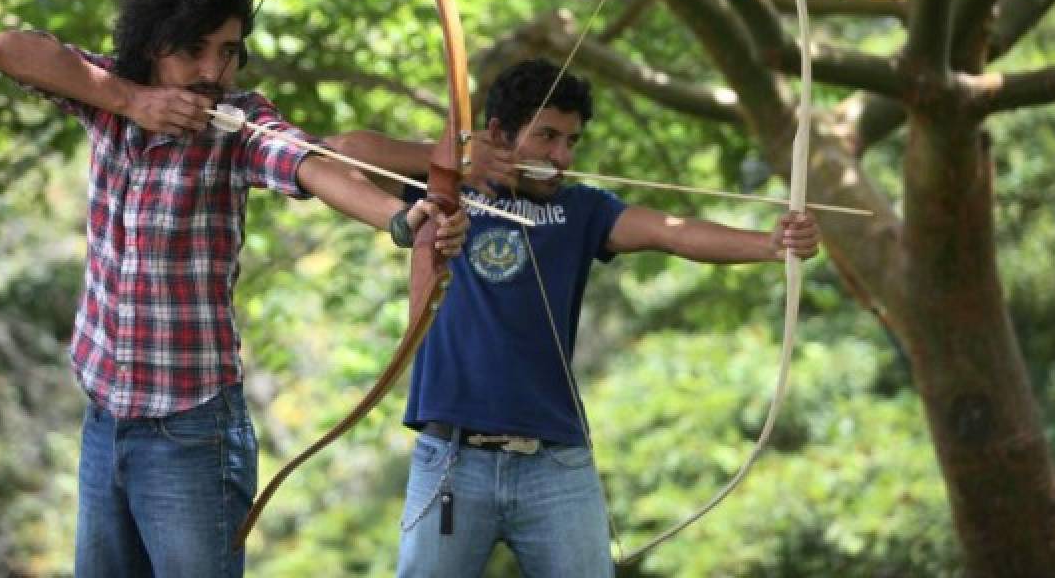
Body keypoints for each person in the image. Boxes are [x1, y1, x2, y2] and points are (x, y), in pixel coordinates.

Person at [0, 0, 469, 578]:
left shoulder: (238, 127)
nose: (216, 69)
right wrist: (132, 100)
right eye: (198, 49)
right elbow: (7, 47)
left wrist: (401, 219)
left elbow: (308, 163)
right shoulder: (104, 92)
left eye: (230, 51)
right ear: (155, 44)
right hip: (104, 417)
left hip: (191, 435)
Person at [329, 58, 821, 577]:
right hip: (452, 458)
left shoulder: (583, 209)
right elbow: (336, 153)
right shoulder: (445, 189)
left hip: (555, 462)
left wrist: (770, 244)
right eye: (546, 136)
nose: (560, 155)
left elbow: (672, 232)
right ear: (498, 133)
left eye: (571, 141)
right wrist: (444, 157)